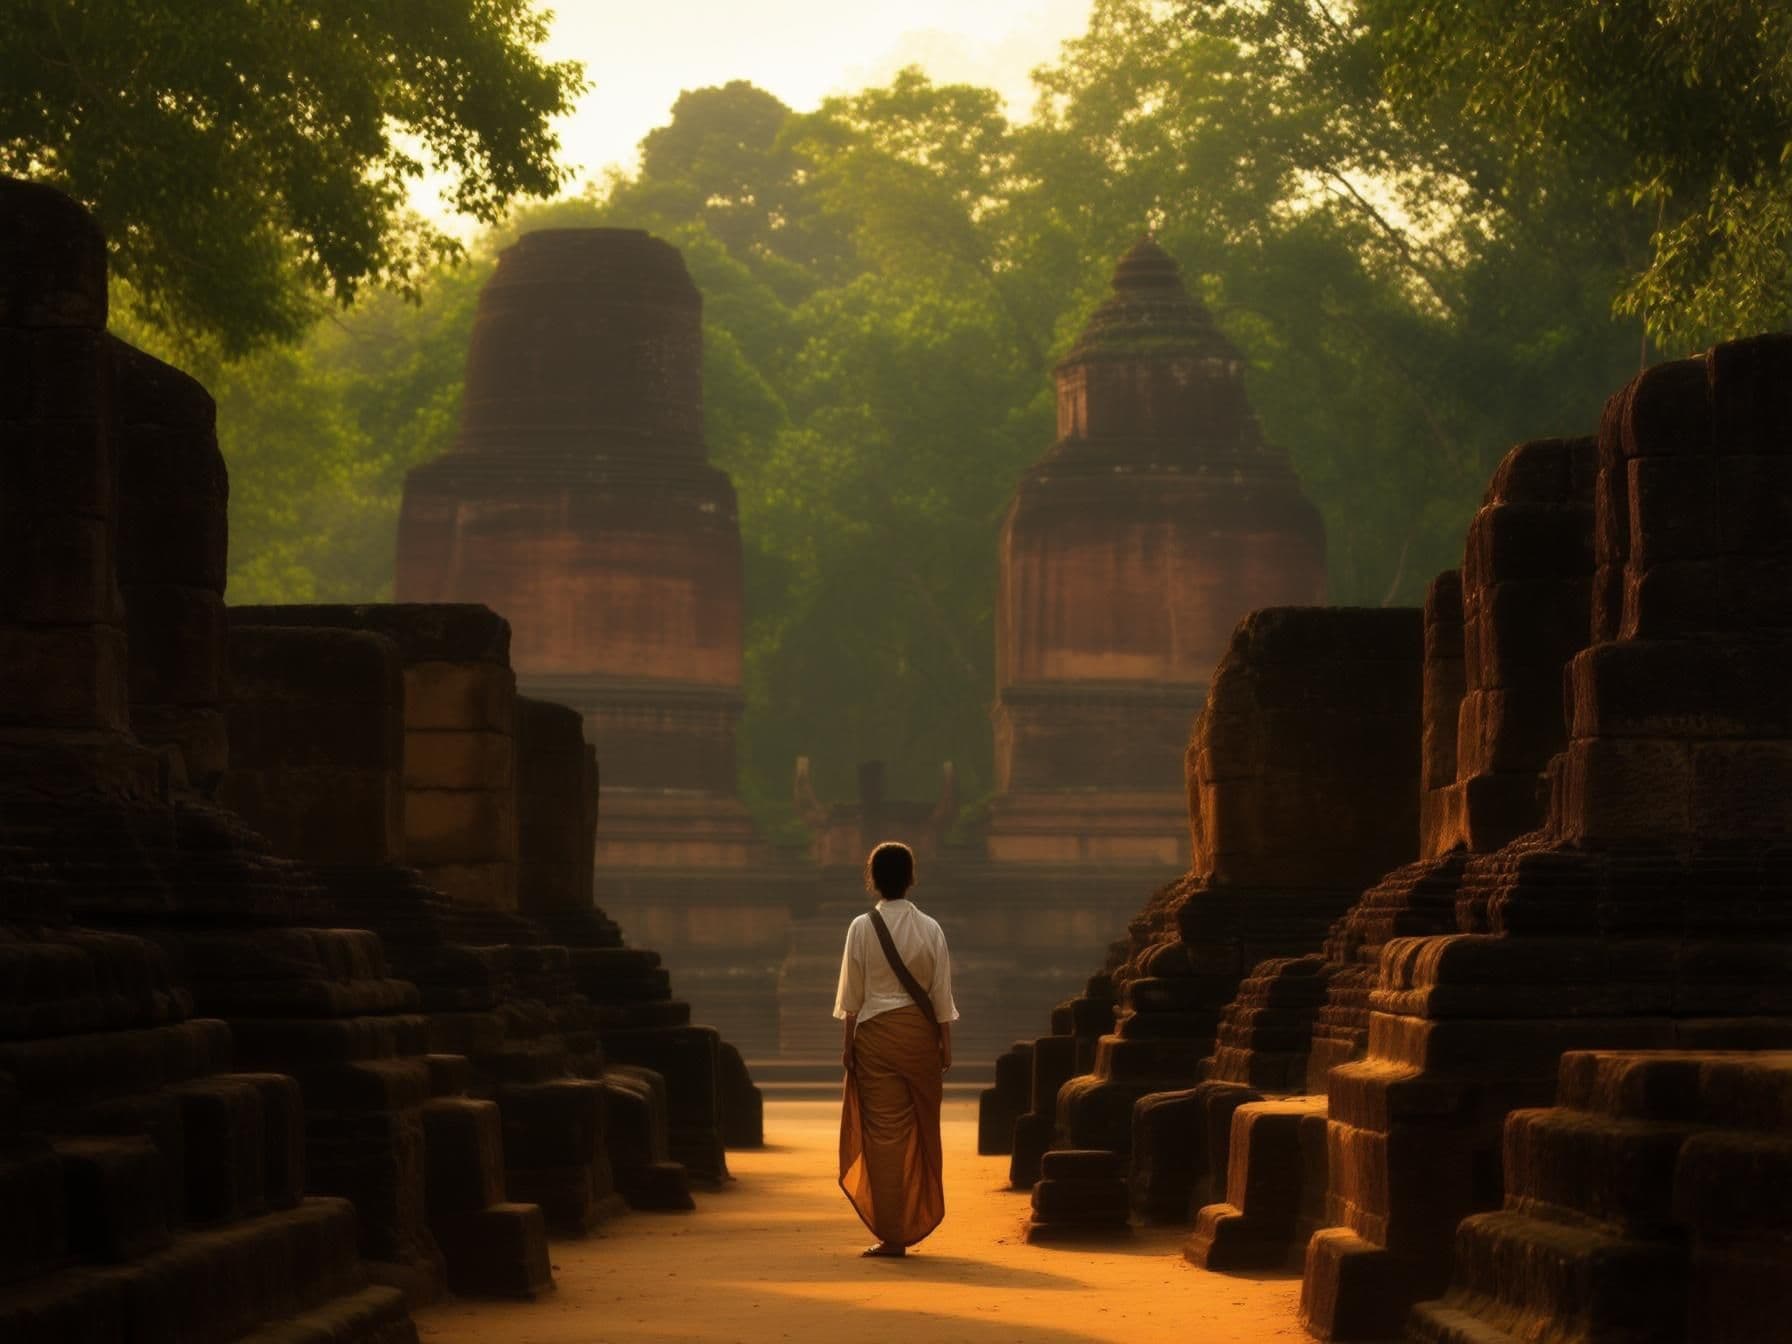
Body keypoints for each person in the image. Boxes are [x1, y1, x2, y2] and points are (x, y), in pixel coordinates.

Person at [834, 840, 958, 1257]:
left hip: (874, 1037)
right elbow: (940, 992)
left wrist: (848, 1045)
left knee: (884, 1138)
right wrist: (945, 1043)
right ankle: (914, 1215)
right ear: (910, 878)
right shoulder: (931, 928)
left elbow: (852, 996)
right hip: (920, 1038)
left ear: (873, 879)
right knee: (921, 1129)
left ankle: (893, 1232)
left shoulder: (861, 927)